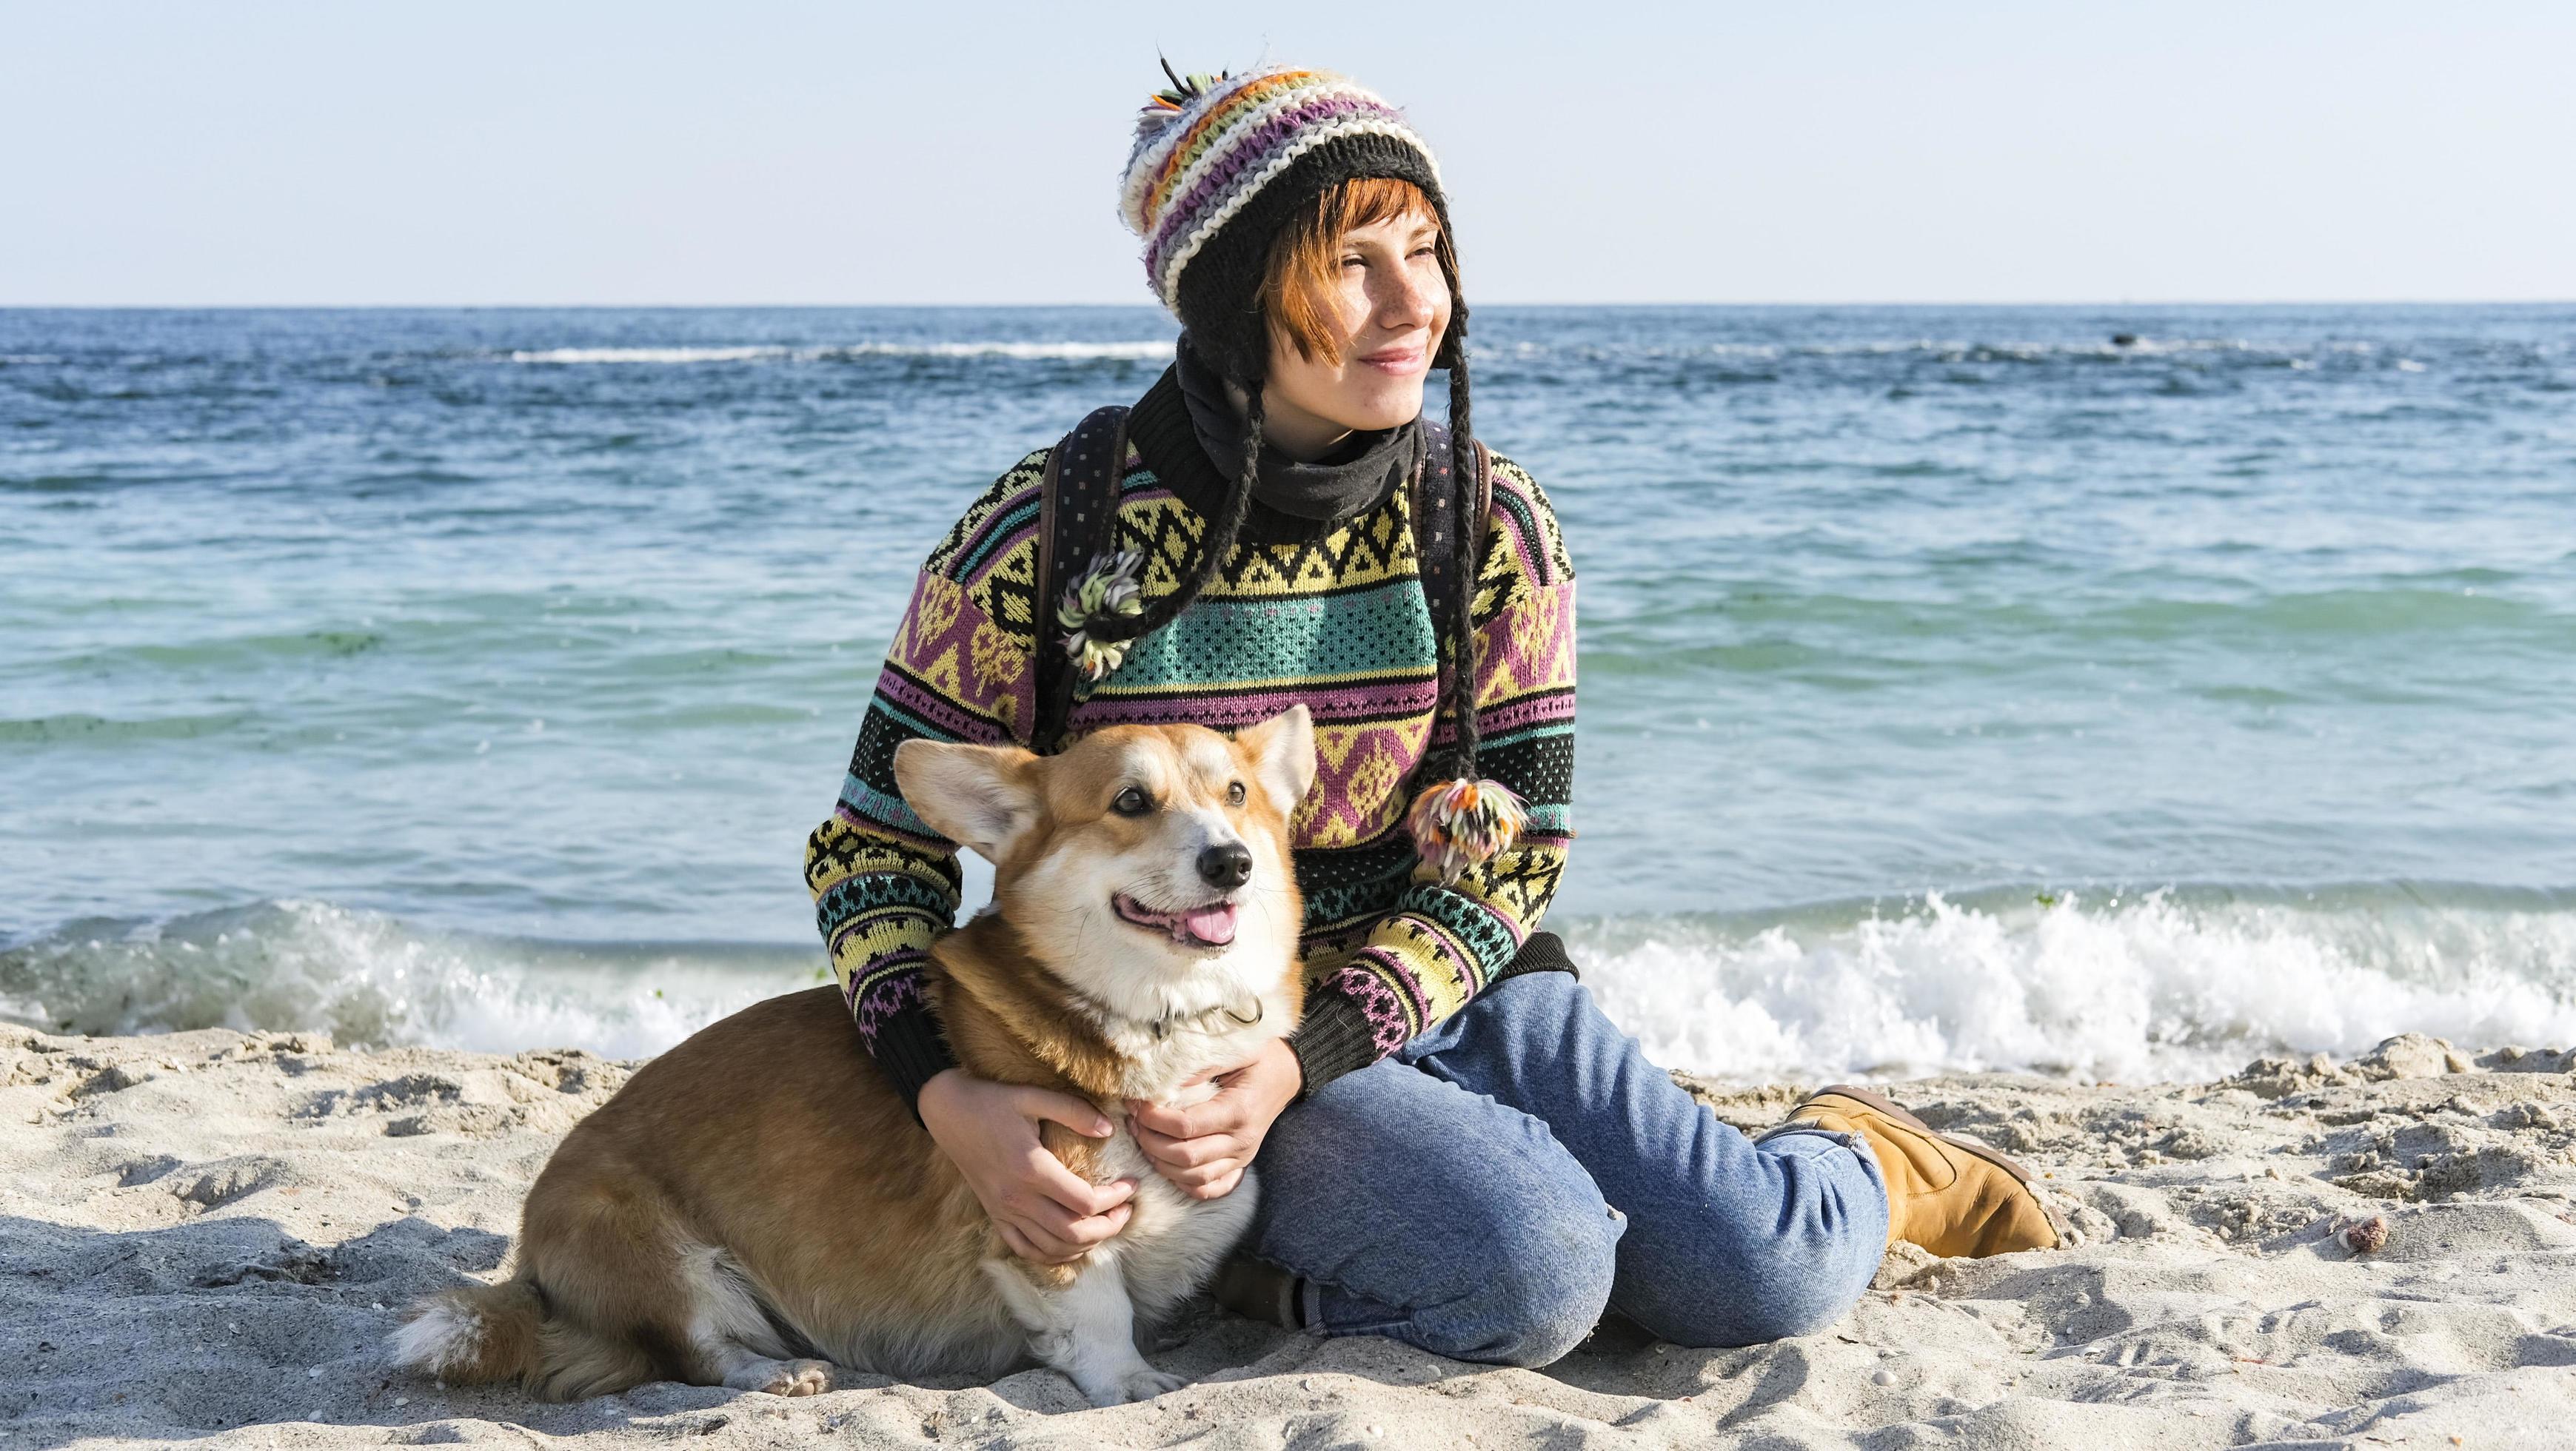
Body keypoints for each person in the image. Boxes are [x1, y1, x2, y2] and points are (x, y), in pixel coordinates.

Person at [806, 63, 2058, 1369]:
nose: (1418, 305)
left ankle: (1868, 1152)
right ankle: (1279, 1264)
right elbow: (870, 851)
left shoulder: (1488, 521)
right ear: (1241, 302)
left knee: (1759, 1273)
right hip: (1187, 1038)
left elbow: (1519, 853)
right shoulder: (1048, 530)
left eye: (1428, 251)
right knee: (1538, 1273)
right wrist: (944, 1095)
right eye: (1355, 262)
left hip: (1461, 995)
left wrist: (1325, 1046)